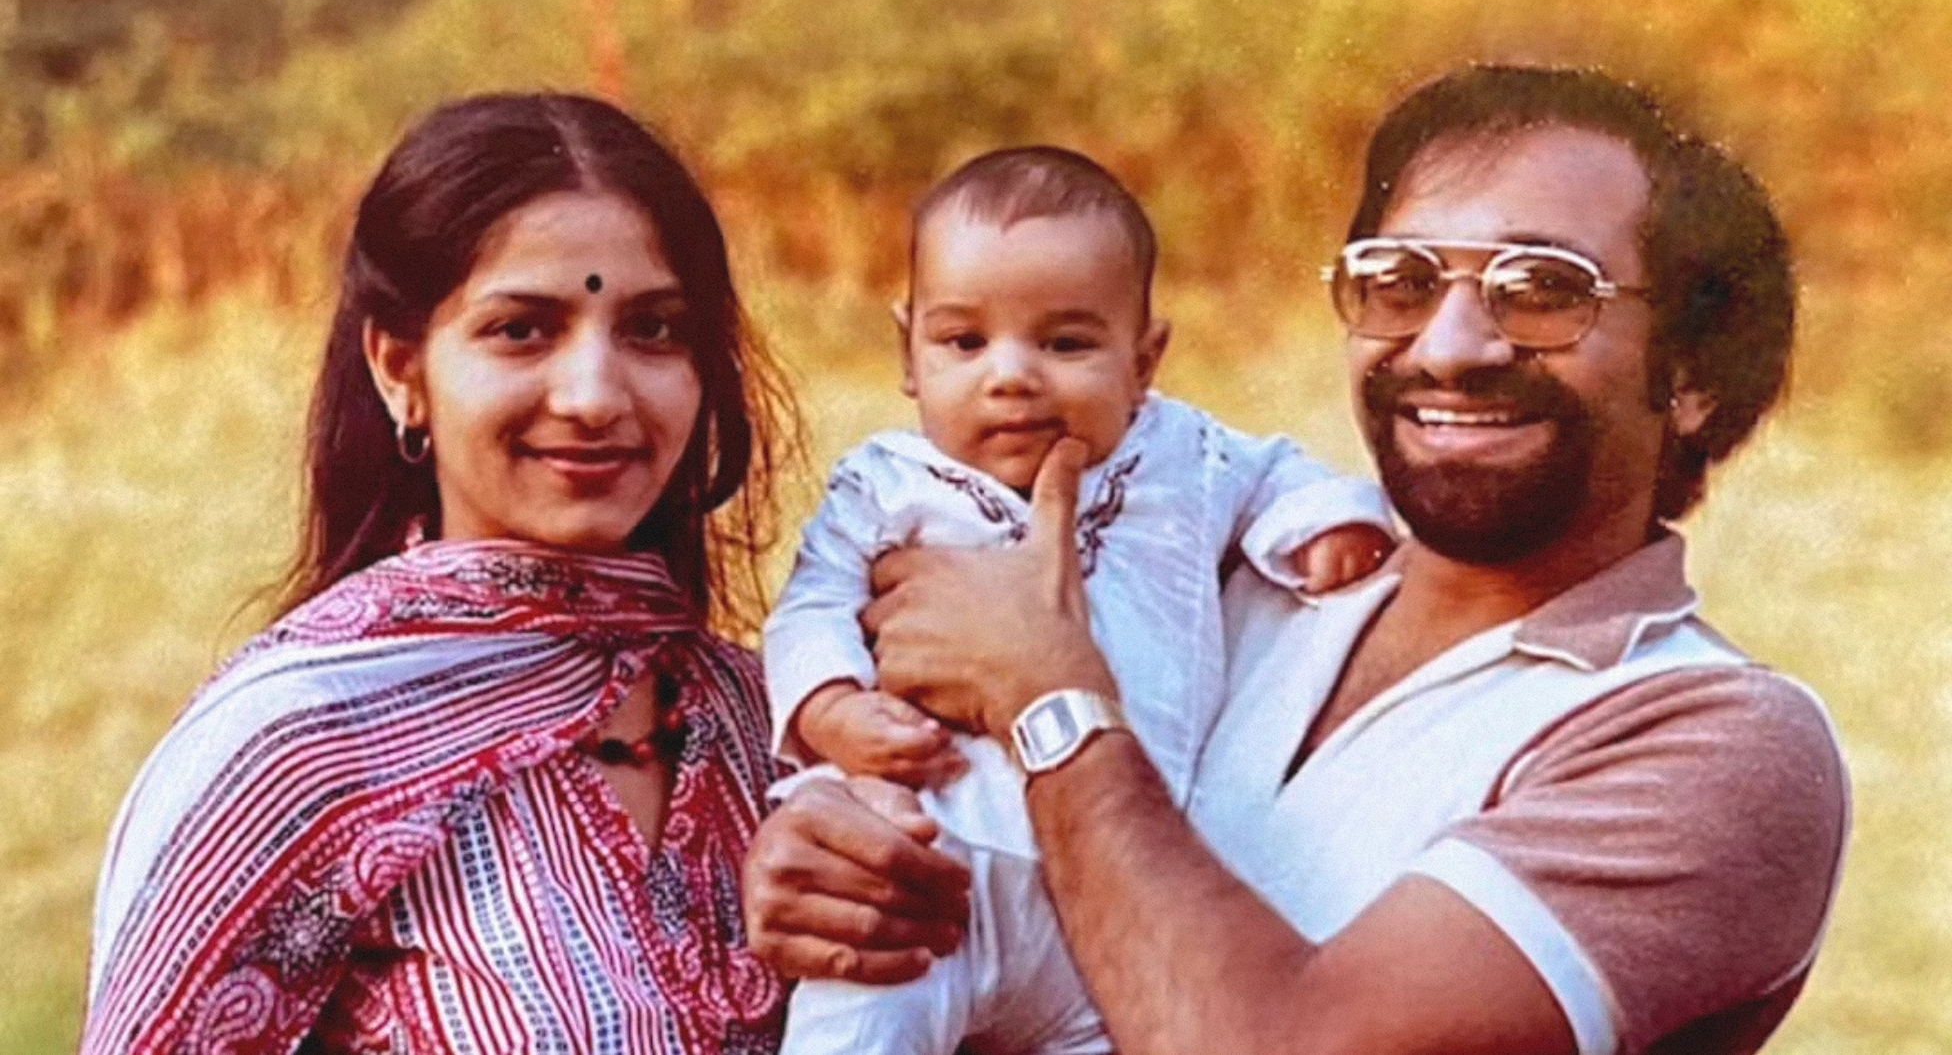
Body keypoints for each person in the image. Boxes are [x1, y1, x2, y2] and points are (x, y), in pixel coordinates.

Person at [741, 64, 1850, 1055]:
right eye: (1400, 281)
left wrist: (1049, 700)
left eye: (1540, 290)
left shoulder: (1712, 742)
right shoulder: (1249, 569)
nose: (1449, 347)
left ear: (1693, 371)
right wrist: (834, 863)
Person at [83, 93, 794, 1055]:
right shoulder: (298, 742)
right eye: (521, 330)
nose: (594, 395)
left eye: (654, 330)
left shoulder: (777, 725)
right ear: (399, 368)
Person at [763, 147, 1395, 1055]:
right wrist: (830, 711)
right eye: (964, 342)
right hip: (925, 875)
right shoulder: (885, 484)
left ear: (1145, 359)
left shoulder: (1189, 458)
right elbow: (812, 606)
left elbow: (1279, 479)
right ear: (908, 353)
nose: (1011, 376)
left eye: (1065, 343)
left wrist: (1324, 527)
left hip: (1112, 901)